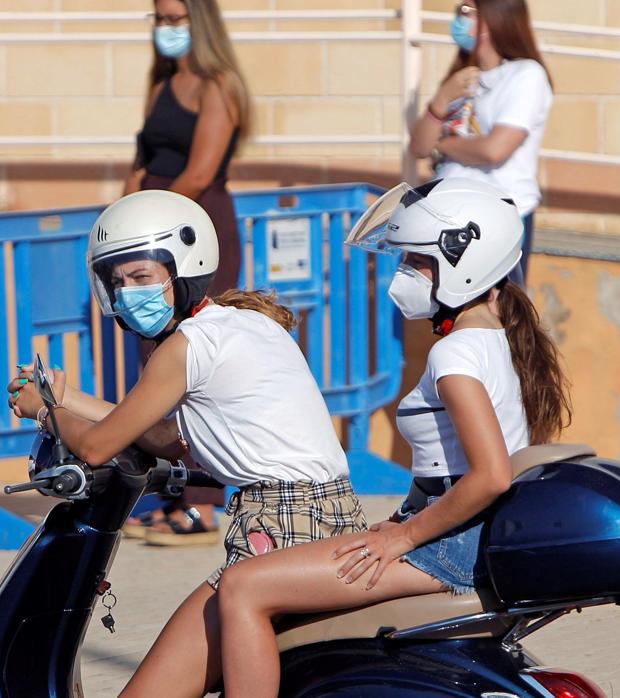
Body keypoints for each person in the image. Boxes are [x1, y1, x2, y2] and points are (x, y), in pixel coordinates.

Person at [214, 177, 572, 696]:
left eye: (416, 262)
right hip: (464, 534)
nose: (403, 275)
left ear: (461, 264)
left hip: (451, 546)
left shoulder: (456, 353)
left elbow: (490, 475)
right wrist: (401, 520)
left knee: (243, 586)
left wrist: (405, 537)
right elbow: (456, 467)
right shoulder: (504, 341)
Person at [6, 190, 365, 696]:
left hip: (279, 525)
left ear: (184, 268)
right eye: (118, 282)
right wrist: (71, 399)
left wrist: (42, 412)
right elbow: (165, 438)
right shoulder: (244, 325)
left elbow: (95, 449)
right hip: (328, 517)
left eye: (142, 277)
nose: (129, 292)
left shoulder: (186, 346)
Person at [122, 0, 251, 544]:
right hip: (149, 235)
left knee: (196, 364)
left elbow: (198, 173)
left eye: (175, 17)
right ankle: (166, 491)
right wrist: (124, 226)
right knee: (155, 364)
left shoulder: (218, 86)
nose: (166, 27)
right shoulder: (159, 87)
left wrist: (151, 225)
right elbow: (140, 164)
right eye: (158, 17)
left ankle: (201, 501)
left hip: (193, 231)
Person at [408, 0, 552, 285]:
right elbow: (420, 147)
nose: (459, 20)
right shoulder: (460, 79)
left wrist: (445, 145)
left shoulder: (525, 74)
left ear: (494, 17)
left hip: (500, 215)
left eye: (466, 11)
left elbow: (494, 149)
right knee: (448, 311)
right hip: (449, 212)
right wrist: (441, 100)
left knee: (499, 312)